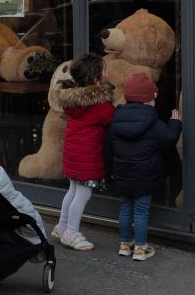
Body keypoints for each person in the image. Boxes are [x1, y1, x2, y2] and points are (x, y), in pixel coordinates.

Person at [106, 73, 182, 261]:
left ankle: (125, 244)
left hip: (122, 173)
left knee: (125, 207)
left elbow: (108, 147)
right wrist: (175, 123)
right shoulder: (153, 122)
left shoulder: (116, 119)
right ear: (151, 99)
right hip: (145, 175)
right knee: (140, 210)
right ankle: (141, 247)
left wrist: (112, 171)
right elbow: (168, 140)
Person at [52, 52, 114, 251]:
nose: (107, 72)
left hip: (73, 154)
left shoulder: (74, 100)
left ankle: (62, 226)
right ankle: (71, 232)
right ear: (96, 78)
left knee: (72, 190)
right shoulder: (98, 102)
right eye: (104, 70)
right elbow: (110, 119)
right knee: (83, 194)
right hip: (88, 155)